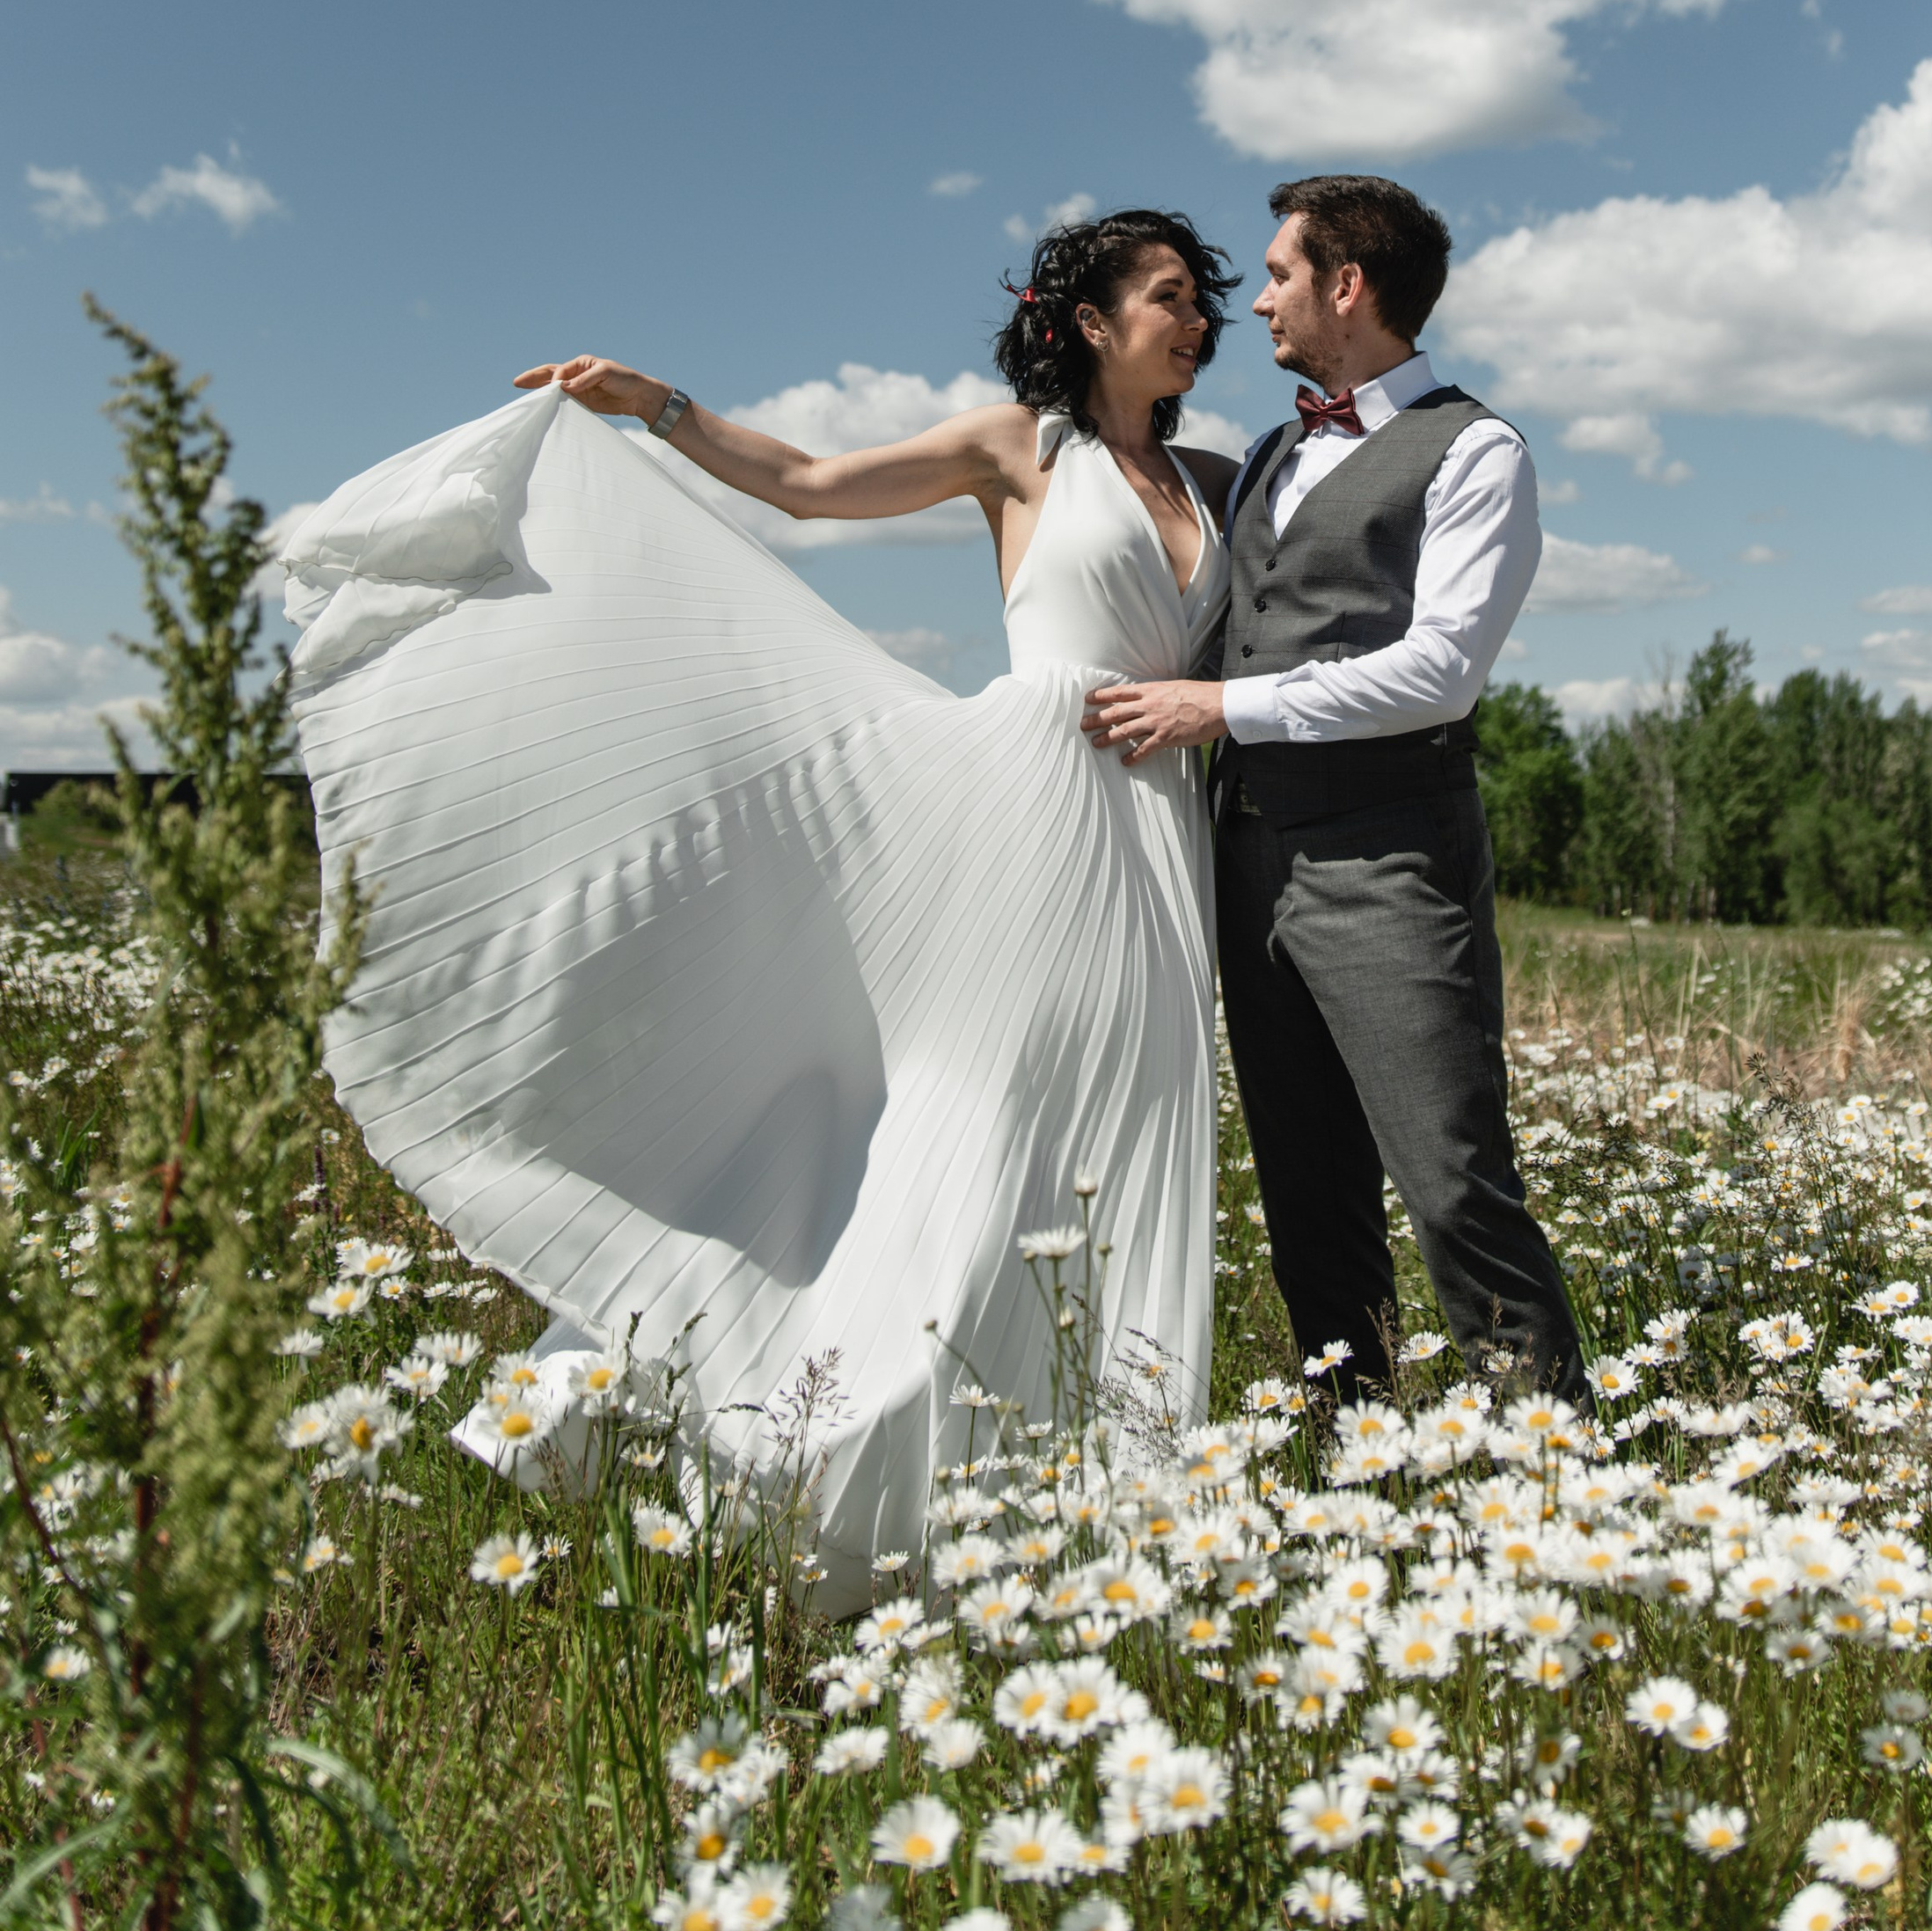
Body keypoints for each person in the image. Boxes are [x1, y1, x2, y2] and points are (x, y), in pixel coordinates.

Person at [279, 208, 1238, 1609]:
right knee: (979, 1131)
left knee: (1118, 1143)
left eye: (1202, 300)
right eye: (1168, 296)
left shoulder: (1215, 479)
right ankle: (839, 1459)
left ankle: (1081, 1491)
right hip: (1029, 816)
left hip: (1159, 842)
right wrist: (656, 406)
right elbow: (804, 482)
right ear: (1092, 322)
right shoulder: (1021, 449)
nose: (1195, 321)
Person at [1081, 172, 1592, 1411]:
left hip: (1388, 861)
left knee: (1453, 1177)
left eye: (1277, 275)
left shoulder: (1476, 450)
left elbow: (1440, 674)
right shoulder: (1268, 453)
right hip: (1247, 866)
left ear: (1346, 287)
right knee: (1308, 1188)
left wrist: (1224, 711)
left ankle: (1562, 1478)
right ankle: (1350, 1459)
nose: (1254, 303)